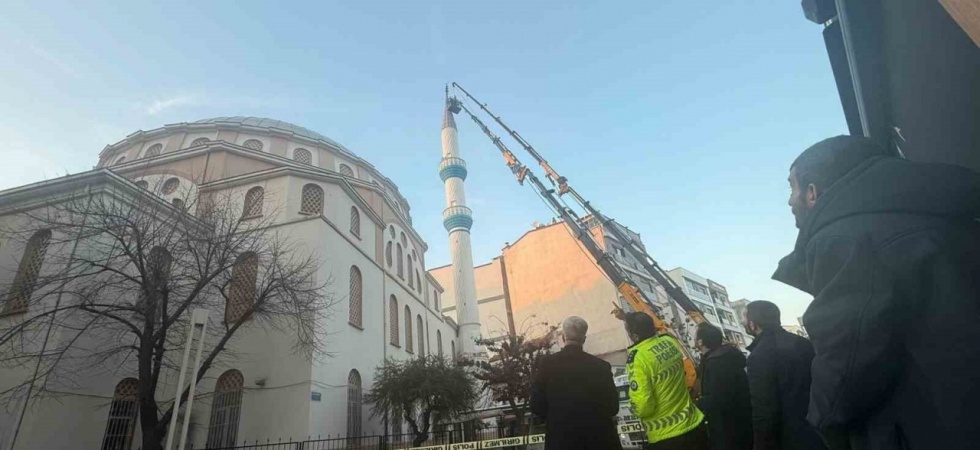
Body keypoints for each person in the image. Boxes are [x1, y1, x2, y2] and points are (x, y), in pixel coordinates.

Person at [773, 135, 980, 450]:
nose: (790, 200)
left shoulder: (844, 237)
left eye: (792, 187)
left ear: (813, 192)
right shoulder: (945, 214)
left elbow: (846, 365)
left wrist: (824, 425)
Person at [529, 316, 621, 450]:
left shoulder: (547, 365)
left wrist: (555, 417)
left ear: (563, 338)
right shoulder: (601, 367)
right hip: (601, 440)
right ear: (584, 339)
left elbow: (536, 405)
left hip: (561, 440)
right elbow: (613, 406)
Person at [743, 301, 826, 450]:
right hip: (821, 429)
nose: (742, 321)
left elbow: (763, 408)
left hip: (790, 436)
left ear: (752, 324)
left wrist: (761, 445)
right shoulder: (804, 343)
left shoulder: (759, 356)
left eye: (744, 317)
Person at [624, 312, 708, 450]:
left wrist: (632, 407)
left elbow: (644, 406)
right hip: (693, 424)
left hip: (666, 436)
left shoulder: (638, 358)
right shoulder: (669, 342)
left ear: (634, 336)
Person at [695, 324, 752, 450]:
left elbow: (717, 397)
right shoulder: (726, 357)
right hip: (741, 423)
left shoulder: (716, 362)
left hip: (726, 428)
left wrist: (696, 405)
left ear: (700, 341)